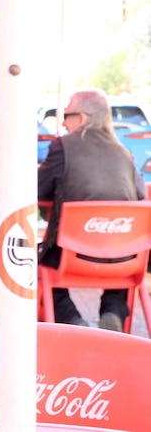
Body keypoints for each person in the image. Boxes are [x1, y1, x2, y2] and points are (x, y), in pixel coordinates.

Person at [38, 89, 145, 332]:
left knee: (38, 262)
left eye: (66, 115)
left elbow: (38, 189)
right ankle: (113, 312)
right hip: (126, 261)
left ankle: (72, 322)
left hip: (74, 258)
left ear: (83, 118)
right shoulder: (124, 153)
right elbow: (140, 196)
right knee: (122, 248)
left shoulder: (63, 146)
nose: (63, 123)